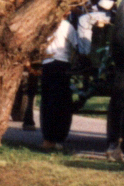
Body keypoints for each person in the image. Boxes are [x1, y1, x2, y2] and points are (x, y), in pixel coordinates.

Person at [38, 8, 95, 151]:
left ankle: (47, 138)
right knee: (60, 104)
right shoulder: (66, 26)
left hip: (46, 65)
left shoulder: (44, 24)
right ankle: (56, 138)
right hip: (61, 65)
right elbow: (78, 46)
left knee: (47, 102)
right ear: (65, 13)